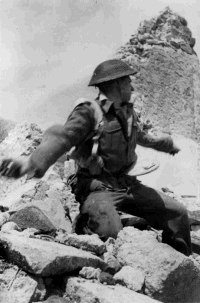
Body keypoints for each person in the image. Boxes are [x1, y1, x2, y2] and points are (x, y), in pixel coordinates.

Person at [0, 59, 192, 256]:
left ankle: (183, 268)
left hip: (126, 184)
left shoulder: (127, 112)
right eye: (127, 81)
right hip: (96, 186)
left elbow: (141, 136)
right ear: (117, 84)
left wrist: (166, 145)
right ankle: (84, 225)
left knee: (177, 213)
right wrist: (31, 163)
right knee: (110, 233)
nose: (131, 85)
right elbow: (62, 137)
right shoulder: (89, 112)